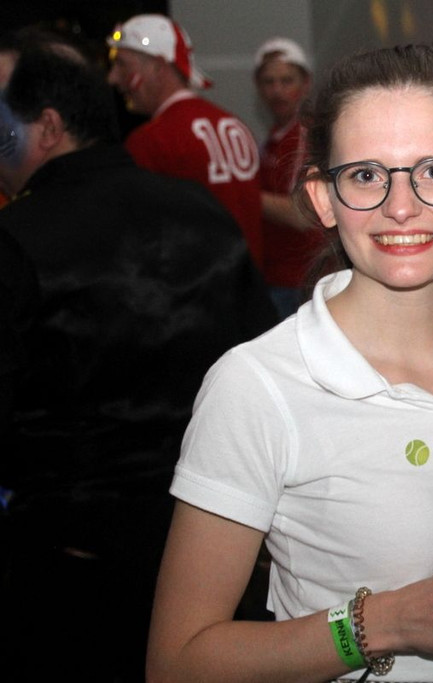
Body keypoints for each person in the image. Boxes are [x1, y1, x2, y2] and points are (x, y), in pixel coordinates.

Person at [145, 44, 433, 683]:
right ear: (323, 198)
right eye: (365, 175)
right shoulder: (258, 384)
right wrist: (383, 622)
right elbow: (179, 662)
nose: (400, 206)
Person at [0, 46, 276, 680]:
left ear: (47, 127)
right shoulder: (201, 211)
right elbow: (264, 364)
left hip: (71, 562)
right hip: (212, 549)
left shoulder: (20, 239)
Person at [106, 14, 264, 266]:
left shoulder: (151, 141)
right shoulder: (236, 125)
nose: (112, 78)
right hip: (248, 283)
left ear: (157, 66)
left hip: (193, 285)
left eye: (122, 64)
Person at [252, 36, 322, 318]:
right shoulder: (273, 138)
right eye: (269, 82)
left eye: (287, 81)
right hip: (277, 276)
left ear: (306, 83)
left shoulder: (305, 136)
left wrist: (239, 194)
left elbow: (301, 214)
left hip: (298, 280)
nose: (277, 91)